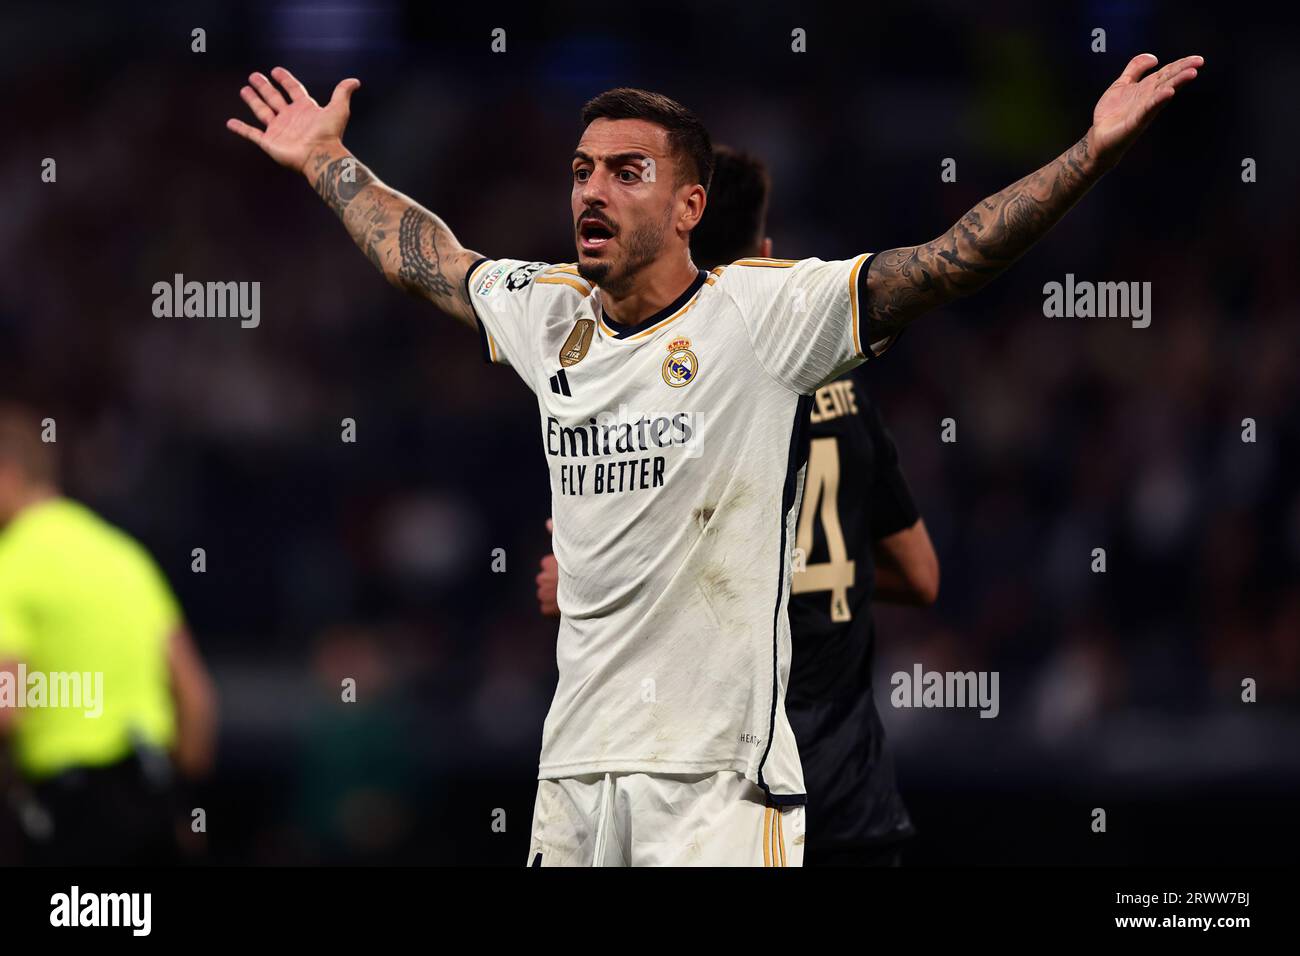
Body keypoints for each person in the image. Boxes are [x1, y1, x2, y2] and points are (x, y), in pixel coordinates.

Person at [227, 53, 1202, 865]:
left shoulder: (764, 319)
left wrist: (1088, 154)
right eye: (580, 170)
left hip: (717, 794)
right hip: (573, 778)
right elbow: (425, 256)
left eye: (624, 171)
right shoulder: (548, 312)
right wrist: (325, 162)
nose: (591, 190)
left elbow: (949, 258)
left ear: (691, 203)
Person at [535, 146, 940, 866]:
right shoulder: (843, 393)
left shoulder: (681, 392)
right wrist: (827, 587)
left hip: (739, 788)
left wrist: (591, 585)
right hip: (853, 791)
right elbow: (921, 575)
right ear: (768, 256)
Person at [0, 405, 218, 864]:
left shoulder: (11, 564)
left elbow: (7, 707)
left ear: (7, 474)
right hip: (153, 803)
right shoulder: (127, 557)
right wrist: (183, 805)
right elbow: (197, 700)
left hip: (69, 817)